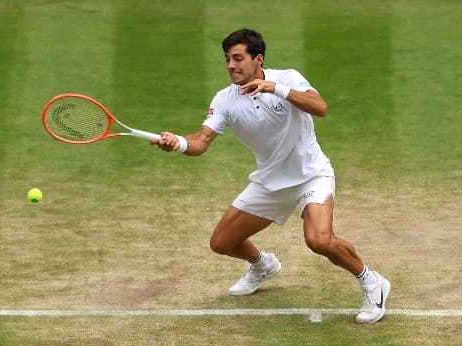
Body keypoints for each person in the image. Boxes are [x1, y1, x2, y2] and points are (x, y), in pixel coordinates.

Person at [154, 28, 390, 323]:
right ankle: (262, 264)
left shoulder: (288, 78)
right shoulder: (225, 99)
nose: (230, 65)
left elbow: (321, 107)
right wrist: (179, 143)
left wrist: (275, 88)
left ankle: (372, 282)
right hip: (271, 183)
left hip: (310, 176)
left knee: (318, 240)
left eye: (238, 58)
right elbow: (201, 141)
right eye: (227, 59)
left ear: (258, 59)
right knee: (222, 243)